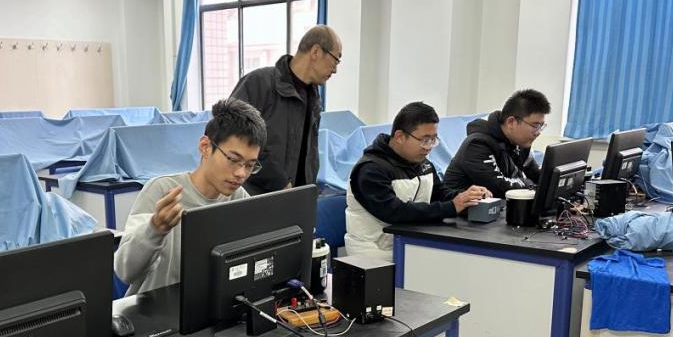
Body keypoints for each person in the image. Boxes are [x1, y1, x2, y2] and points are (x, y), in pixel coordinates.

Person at [115, 98, 266, 294]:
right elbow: (124, 271)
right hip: (155, 307)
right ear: (205, 147)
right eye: (233, 159)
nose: (241, 173)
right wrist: (155, 229)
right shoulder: (162, 191)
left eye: (250, 165)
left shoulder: (238, 198)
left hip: (207, 304)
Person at [345, 102, 490, 260]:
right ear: (400, 136)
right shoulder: (370, 169)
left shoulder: (423, 164)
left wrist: (469, 198)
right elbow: (394, 211)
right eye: (424, 140)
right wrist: (451, 207)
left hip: (411, 243)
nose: (428, 147)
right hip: (375, 253)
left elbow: (440, 194)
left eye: (433, 140)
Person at [230, 24, 341, 195]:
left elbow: (308, 152)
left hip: (295, 197)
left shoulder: (313, 96)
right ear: (316, 52)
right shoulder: (258, 83)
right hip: (256, 197)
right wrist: (278, 180)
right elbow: (235, 138)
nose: (335, 70)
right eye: (336, 59)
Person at [442, 89, 551, 199]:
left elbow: (535, 175)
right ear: (511, 122)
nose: (538, 132)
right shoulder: (476, 145)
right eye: (535, 126)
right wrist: (530, 185)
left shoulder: (519, 142)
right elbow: (499, 187)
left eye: (541, 126)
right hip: (466, 208)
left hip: (496, 206)